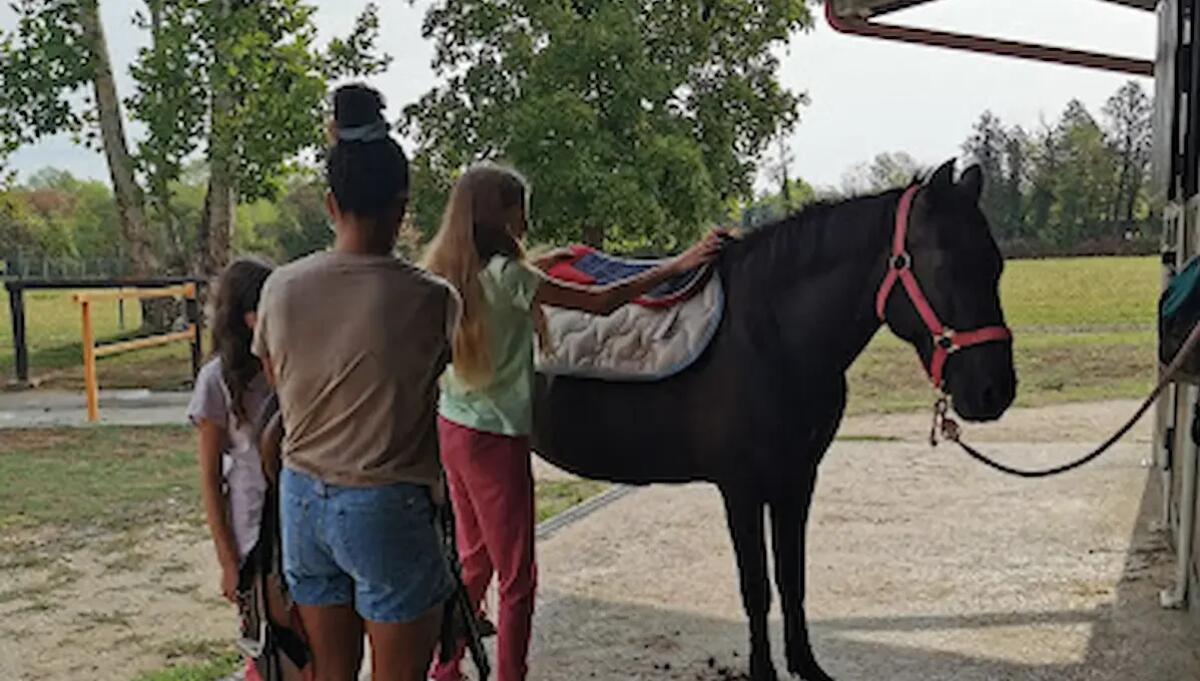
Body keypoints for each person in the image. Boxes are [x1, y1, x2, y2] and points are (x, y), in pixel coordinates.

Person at [423, 163, 724, 681]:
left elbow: (501, 283)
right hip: (496, 440)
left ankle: (442, 667)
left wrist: (543, 262)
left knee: (475, 562)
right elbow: (601, 303)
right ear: (502, 214)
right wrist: (680, 263)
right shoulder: (515, 278)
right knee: (518, 577)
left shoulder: (448, 272)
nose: (525, 220)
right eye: (521, 210)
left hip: (454, 428)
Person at [252, 83, 460, 681]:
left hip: (301, 500)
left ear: (328, 203)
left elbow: (281, 383)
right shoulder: (432, 300)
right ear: (403, 207)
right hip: (385, 503)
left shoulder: (281, 288)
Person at [189, 257, 275, 681]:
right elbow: (209, 477)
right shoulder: (216, 379)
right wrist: (227, 561)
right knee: (264, 641)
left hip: (298, 520)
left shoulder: (289, 366)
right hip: (251, 527)